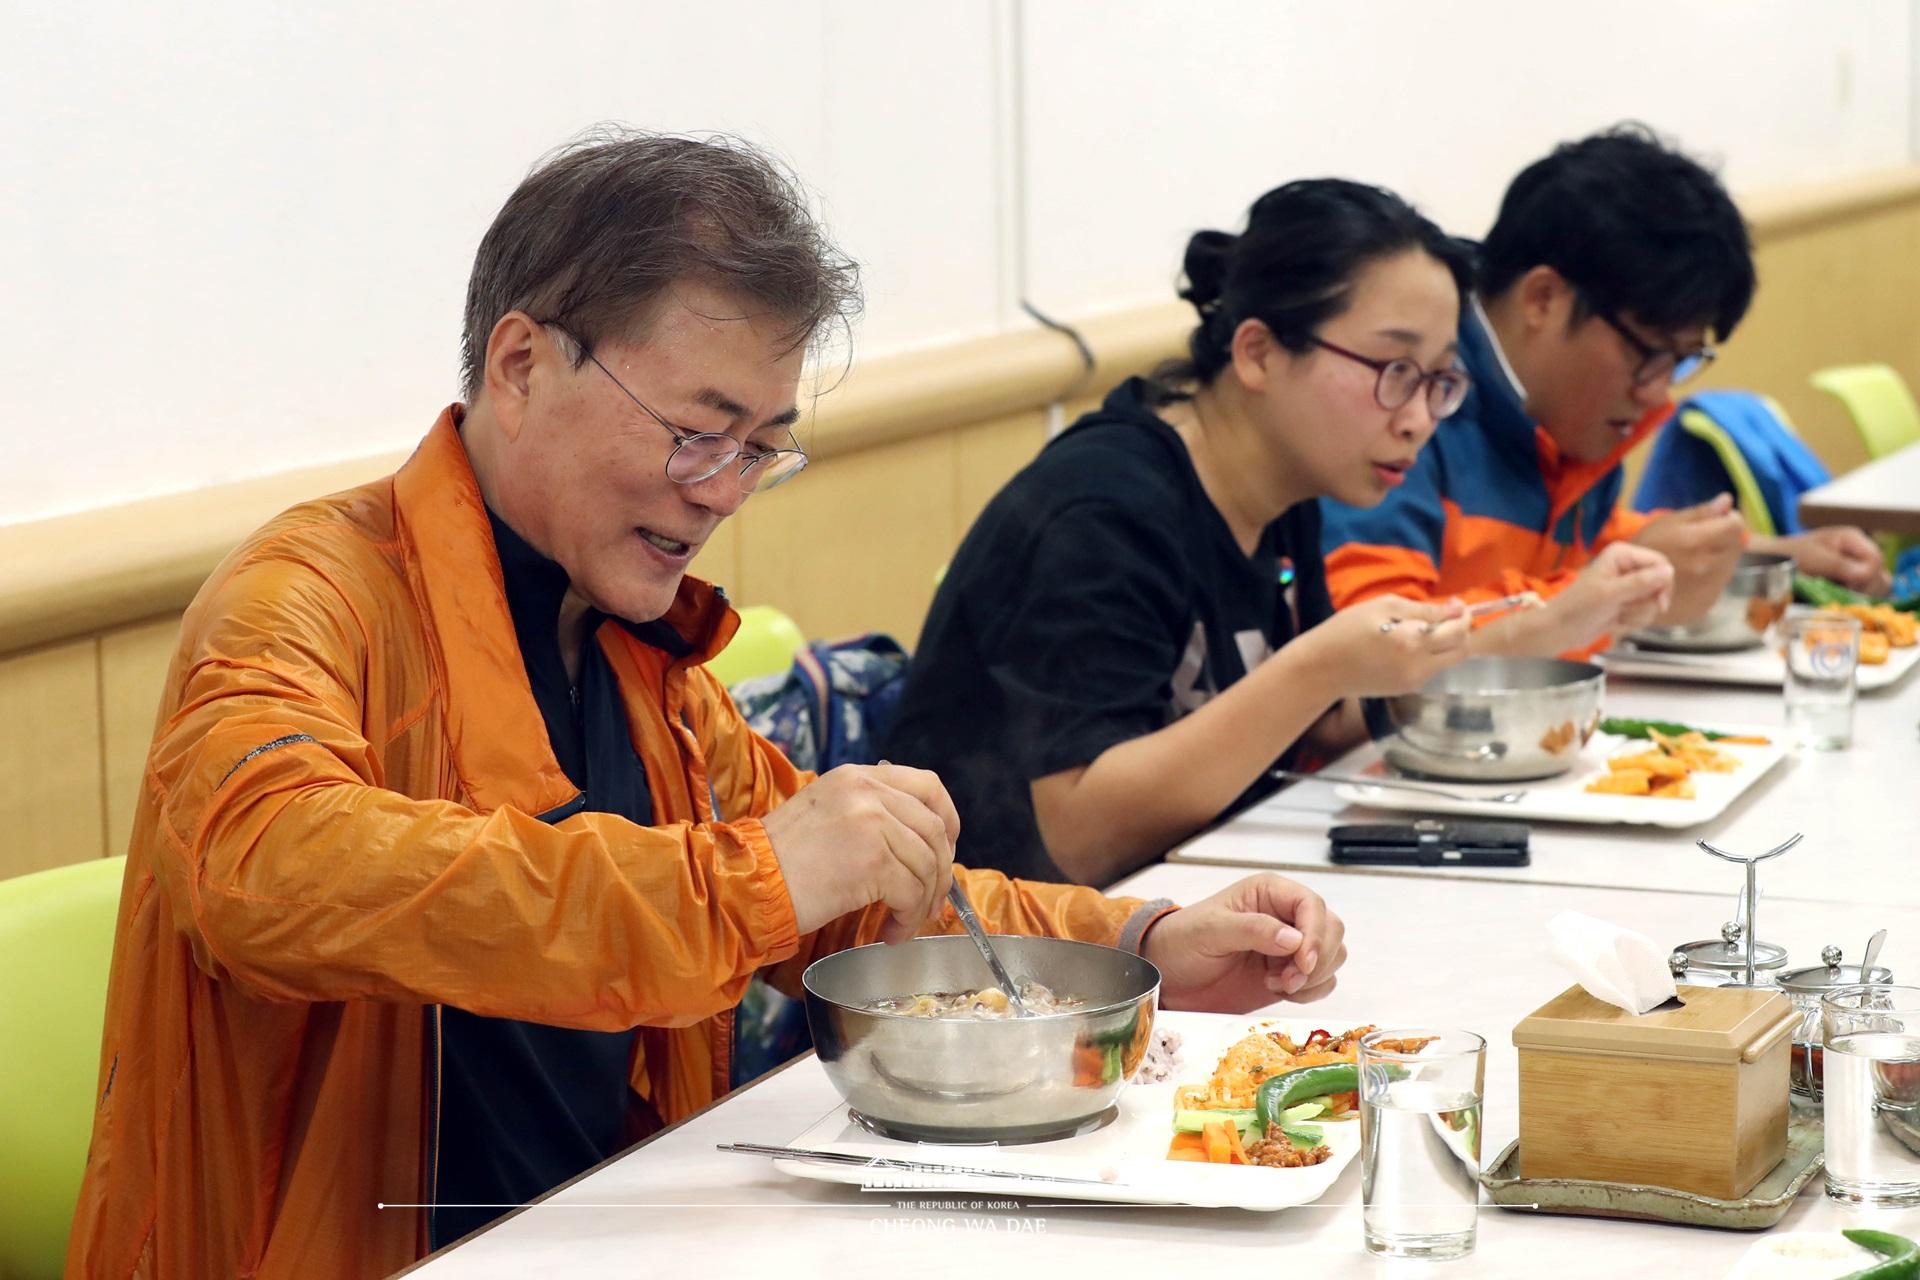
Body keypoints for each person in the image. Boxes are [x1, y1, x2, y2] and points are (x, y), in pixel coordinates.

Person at [66, 131, 1348, 1280]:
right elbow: (273, 866)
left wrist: (1140, 944)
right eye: (697, 429)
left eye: (761, 445)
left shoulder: (632, 642)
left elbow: (857, 886)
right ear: (520, 362)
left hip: (618, 1227)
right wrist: (755, 876)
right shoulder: (304, 596)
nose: (723, 489)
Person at [886, 179, 1479, 889]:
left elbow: (1313, 725)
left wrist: (1402, 668)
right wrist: (1323, 665)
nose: (1418, 417)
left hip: (1174, 913)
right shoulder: (1101, 510)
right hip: (995, 959)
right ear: (1257, 352)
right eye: (1394, 370)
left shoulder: (1288, 485)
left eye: (1439, 379)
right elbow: (1080, 837)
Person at [1322, 124, 1889, 659]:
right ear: (1543, 298)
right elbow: (1374, 649)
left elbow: (1580, 541)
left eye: (1682, 361)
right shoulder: (1410, 405)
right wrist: (1600, 599)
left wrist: (1778, 557)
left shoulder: (1564, 408)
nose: (1657, 394)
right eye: (1648, 354)